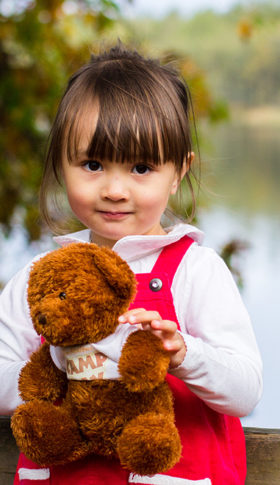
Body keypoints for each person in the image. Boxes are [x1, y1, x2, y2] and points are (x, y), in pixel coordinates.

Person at [0, 44, 263, 485]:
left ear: (179, 170)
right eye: (93, 164)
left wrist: (182, 353)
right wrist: (61, 362)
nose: (115, 189)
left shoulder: (195, 271)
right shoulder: (41, 276)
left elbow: (245, 392)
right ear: (63, 166)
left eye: (141, 168)